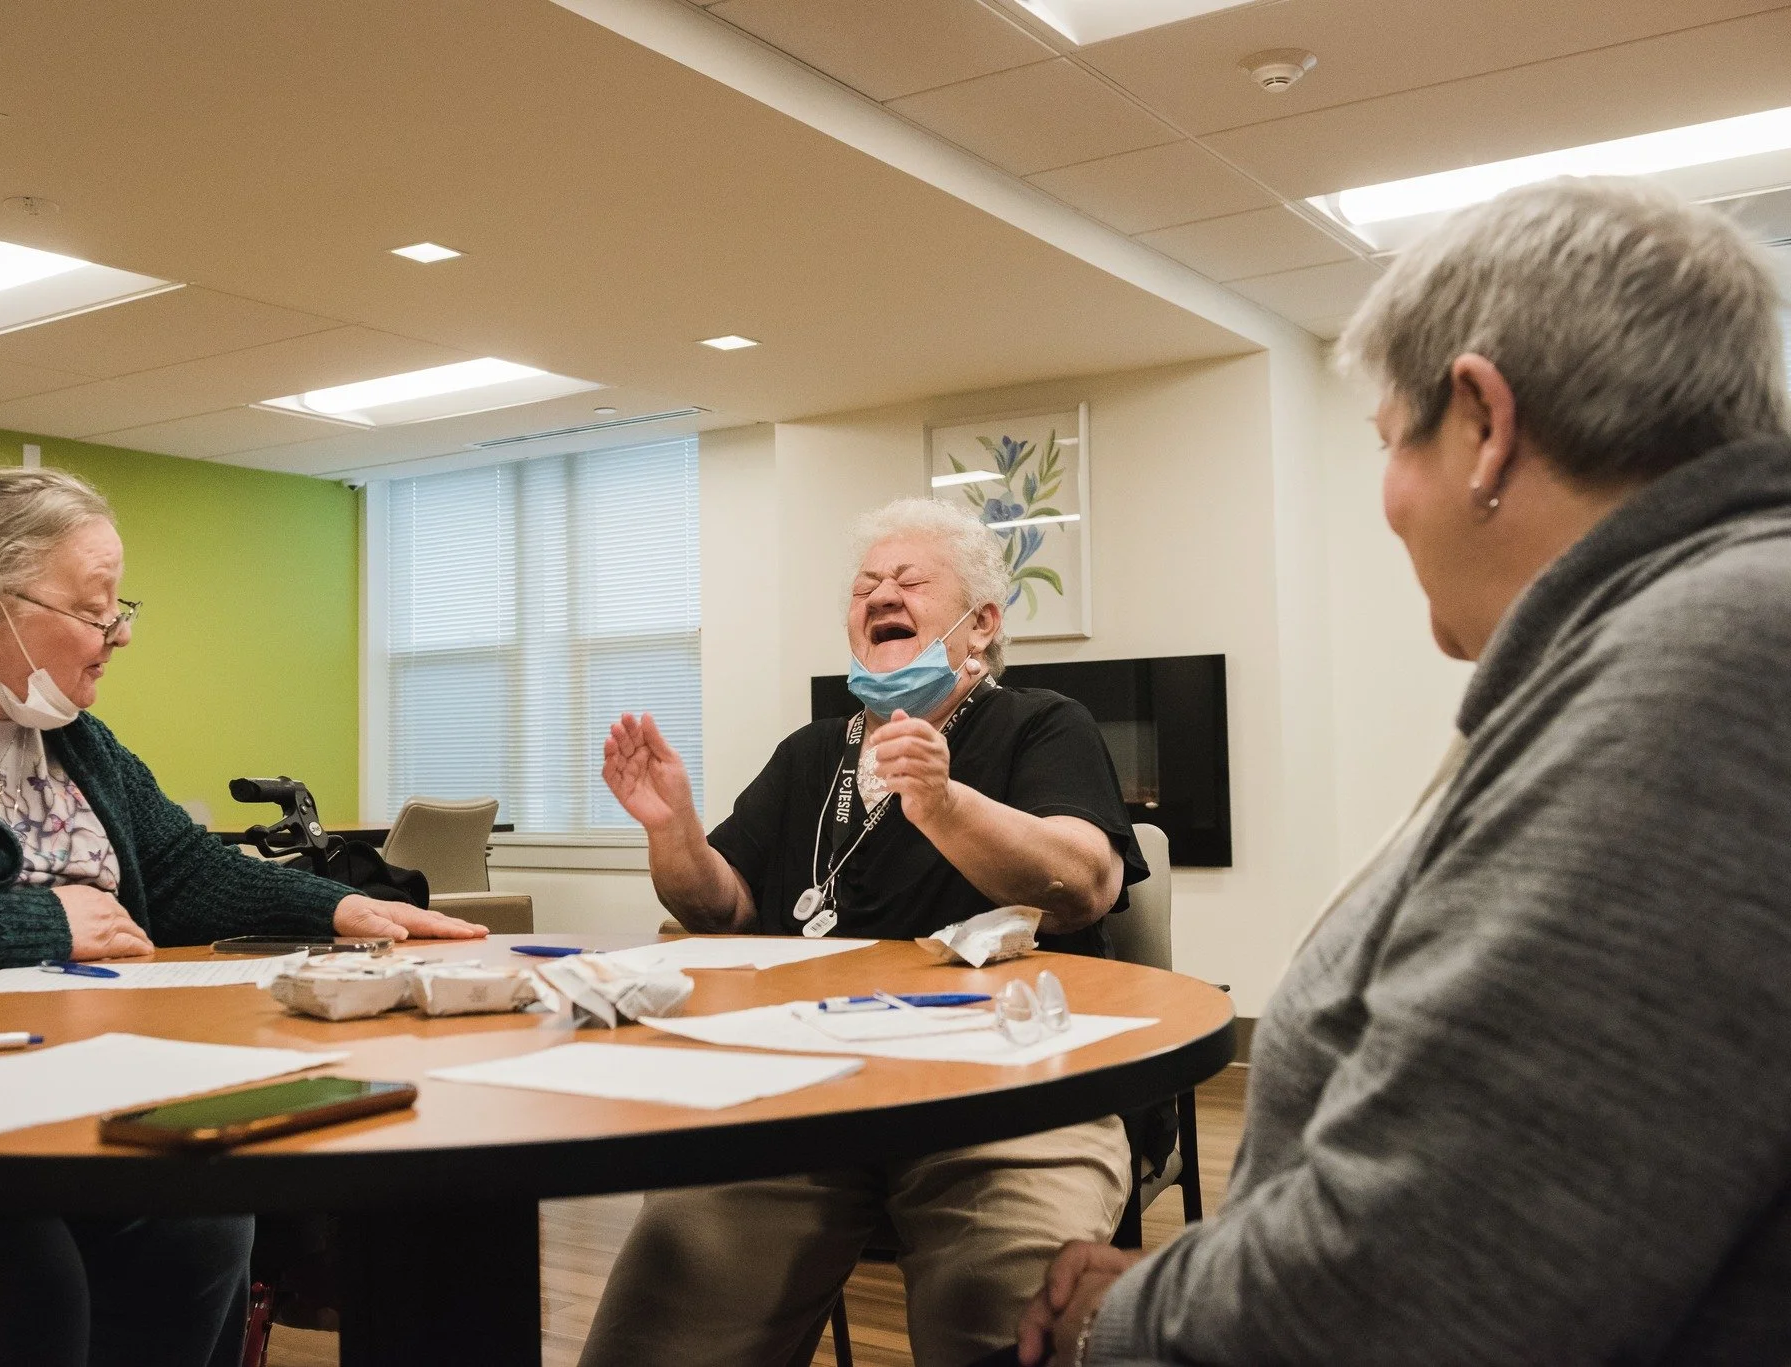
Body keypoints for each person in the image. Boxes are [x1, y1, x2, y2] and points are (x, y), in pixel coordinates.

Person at [1013, 177, 1791, 1366]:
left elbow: (1419, 1292)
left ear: (1484, 422)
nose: (1386, 503)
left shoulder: (1708, 664)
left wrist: (1120, 1324)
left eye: (1388, 444)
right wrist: (1191, 1276)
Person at [0, 467, 487, 1367]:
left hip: (69, 1073)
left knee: (203, 1223)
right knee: (27, 1270)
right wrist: (46, 928)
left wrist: (346, 907)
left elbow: (177, 868)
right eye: (98, 610)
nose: (120, 635)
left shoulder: (65, 733)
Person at [579, 497, 1150, 1367]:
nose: (881, 592)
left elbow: (1087, 881)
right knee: (677, 1274)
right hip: (806, 1093)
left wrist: (944, 802)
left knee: (999, 1305)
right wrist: (675, 835)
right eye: (865, 584)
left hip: (1006, 1094)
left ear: (981, 623)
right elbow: (720, 907)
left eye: (910, 579)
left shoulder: (1042, 724)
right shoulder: (811, 753)